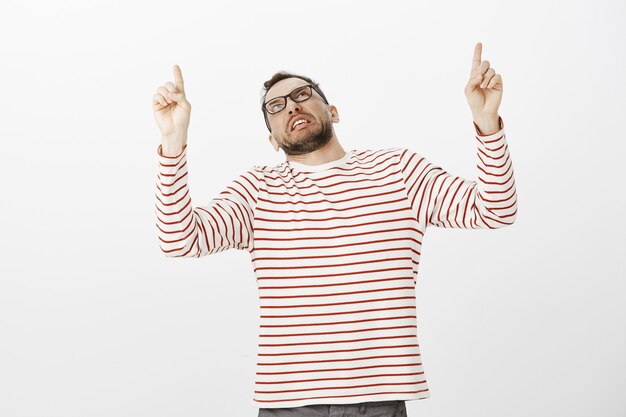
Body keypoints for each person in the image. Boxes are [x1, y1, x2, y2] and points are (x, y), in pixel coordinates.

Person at [152, 41, 517, 416]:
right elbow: (179, 239)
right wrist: (173, 141)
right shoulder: (257, 190)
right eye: (275, 107)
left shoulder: (398, 171)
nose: (291, 106)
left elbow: (496, 209)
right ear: (273, 140)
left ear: (333, 111)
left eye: (302, 94)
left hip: (377, 403)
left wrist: (487, 124)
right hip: (289, 406)